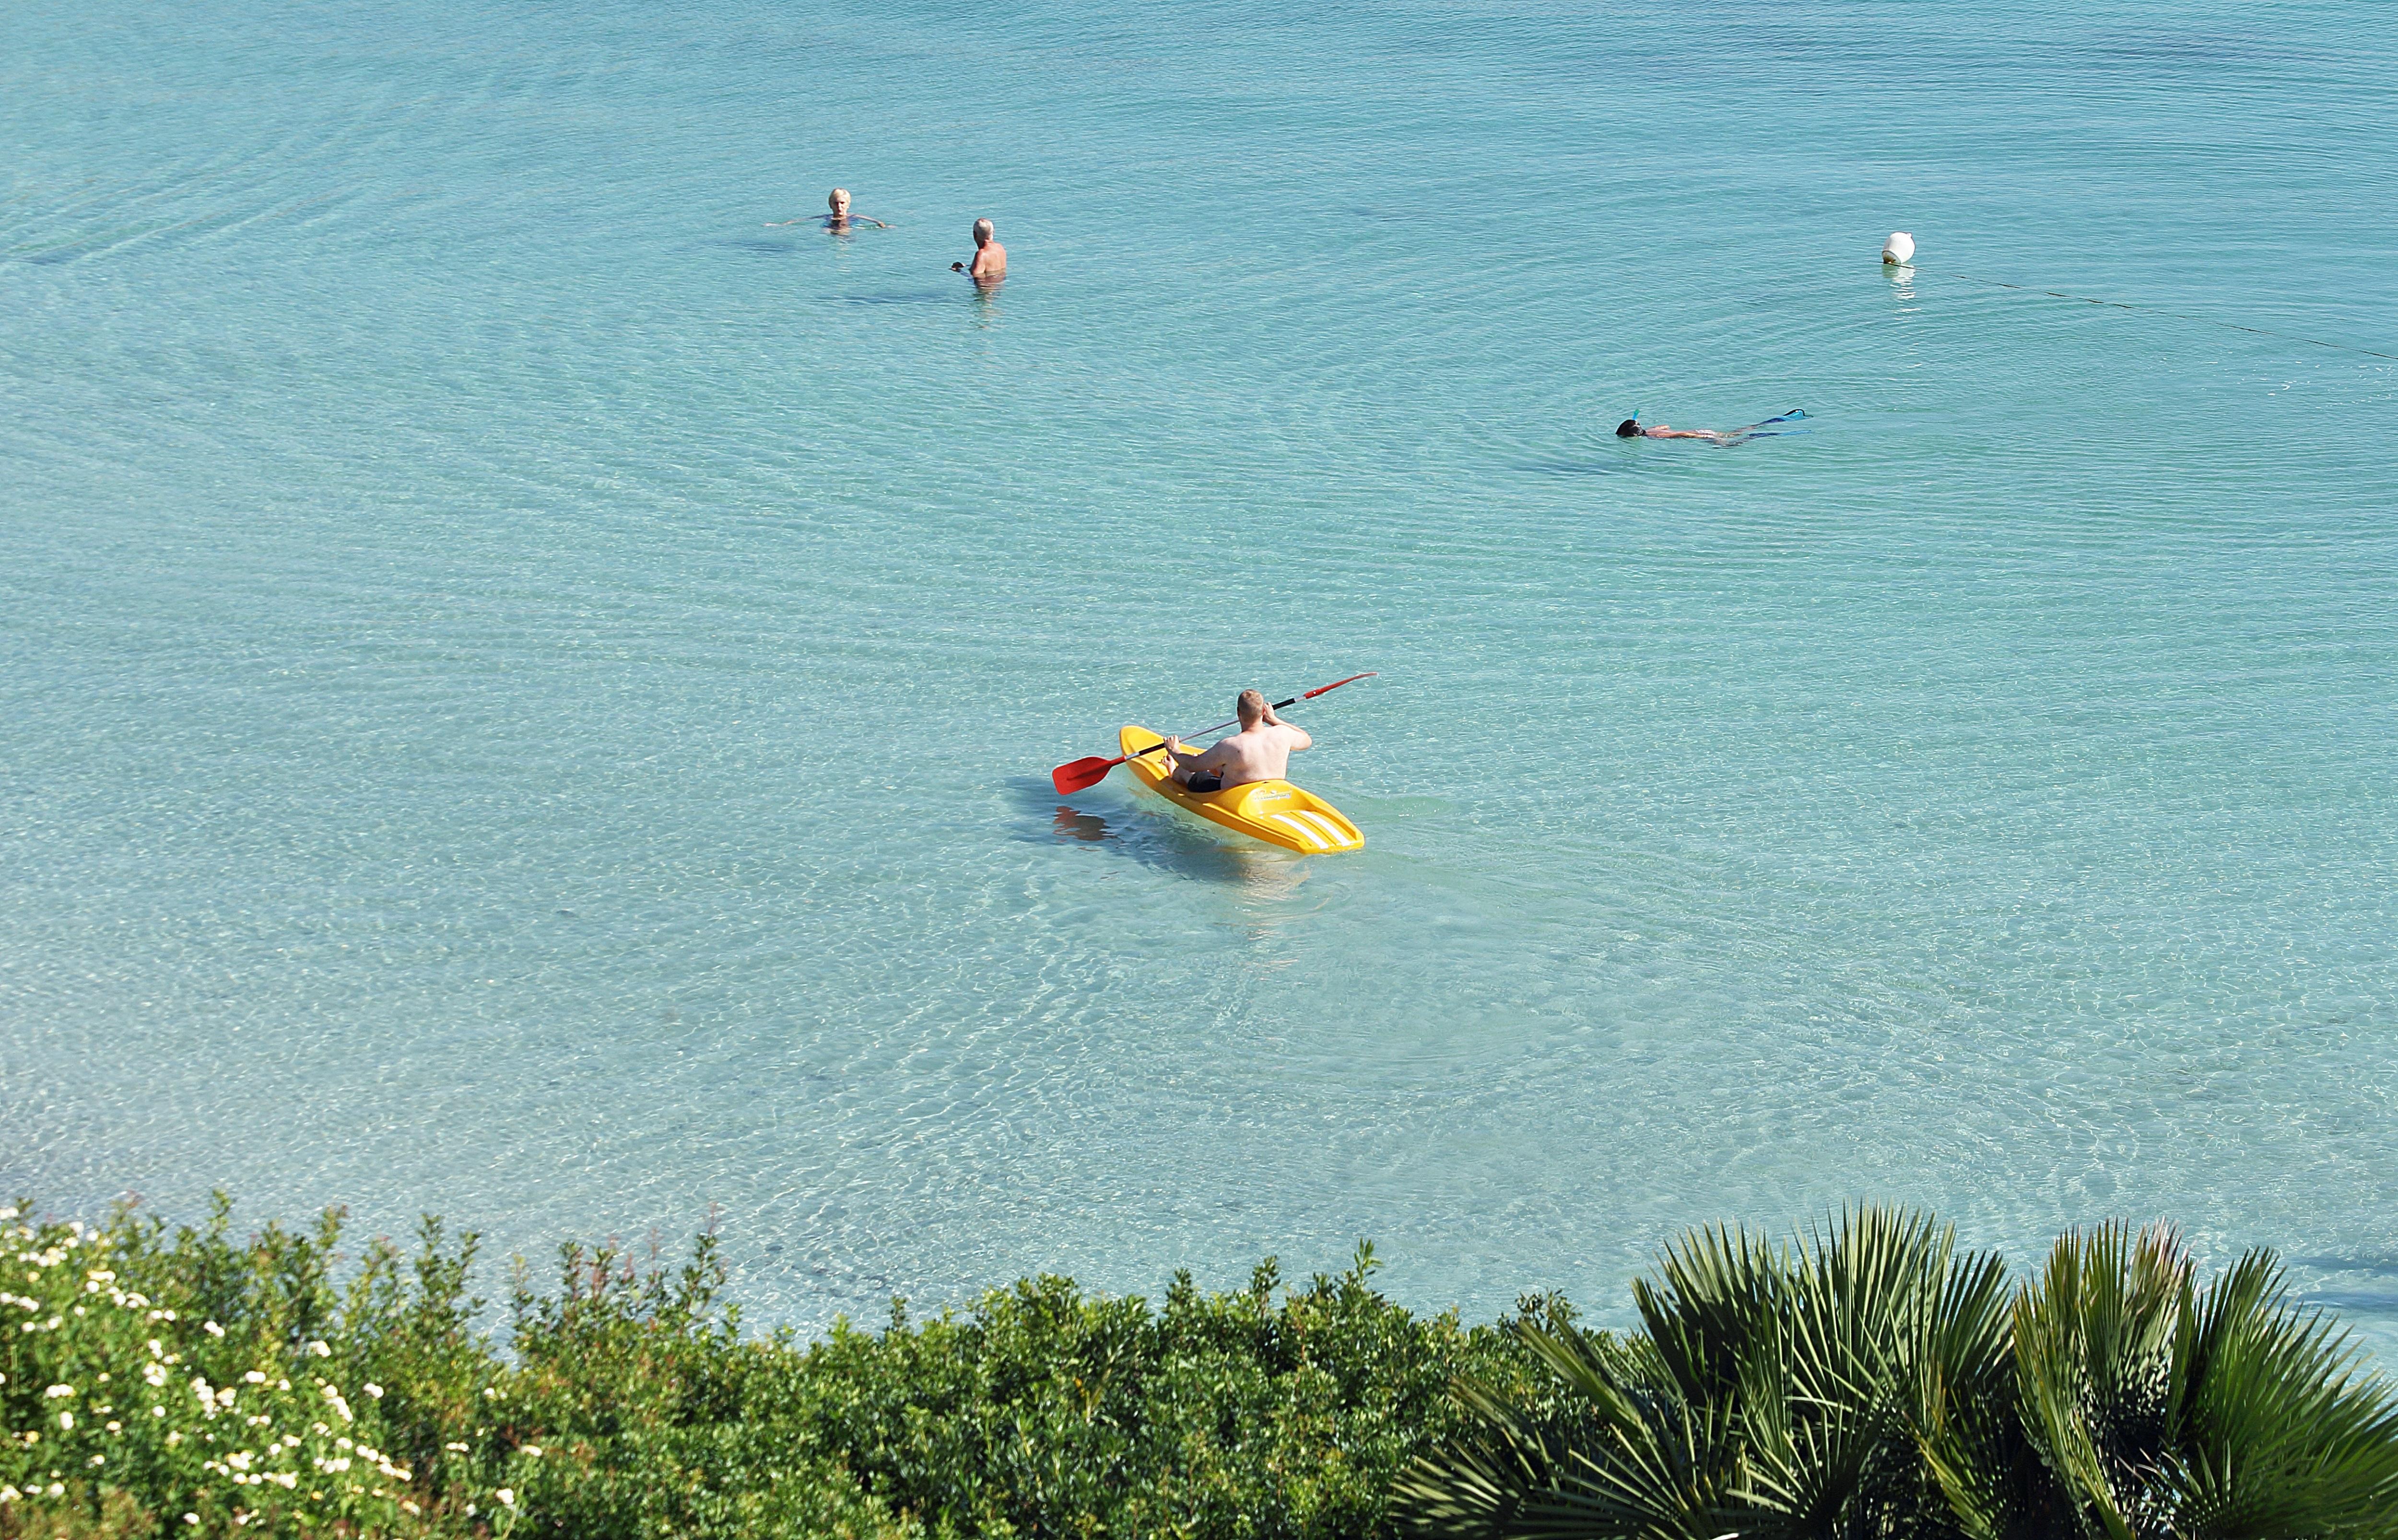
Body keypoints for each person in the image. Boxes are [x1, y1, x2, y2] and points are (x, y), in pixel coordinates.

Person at [1161, 690, 1311, 794]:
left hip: (1232, 794)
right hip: (1273, 790)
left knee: (1186, 770)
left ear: (1238, 712)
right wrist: (1274, 720)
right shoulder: (1282, 733)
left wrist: (1174, 751)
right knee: (1225, 763)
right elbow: (1306, 739)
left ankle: (1174, 772)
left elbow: (1192, 765)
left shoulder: (1231, 745)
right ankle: (1214, 768)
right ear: (1264, 712)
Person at [767, 188, 886, 230]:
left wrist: (882, 225)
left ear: (848, 204)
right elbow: (804, 220)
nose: (839, 207)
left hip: (850, 227)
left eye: (842, 203)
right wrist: (781, 225)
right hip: (831, 228)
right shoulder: (827, 217)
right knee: (826, 231)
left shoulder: (853, 217)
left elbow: (873, 221)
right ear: (830, 205)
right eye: (836, 203)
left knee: (846, 231)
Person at [951, 218, 1006, 282]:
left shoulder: (982, 254)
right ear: (993, 232)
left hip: (986, 290)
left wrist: (959, 271)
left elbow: (975, 278)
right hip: (998, 287)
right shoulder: (1000, 248)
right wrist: (966, 266)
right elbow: (989, 267)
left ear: (975, 234)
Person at [1617, 417, 1726, 441]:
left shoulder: (1655, 436)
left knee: (1729, 445)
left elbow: (1684, 434)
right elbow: (1666, 426)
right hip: (1700, 430)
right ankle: (1743, 430)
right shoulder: (1652, 430)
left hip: (1701, 435)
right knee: (1731, 434)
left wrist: (1704, 437)